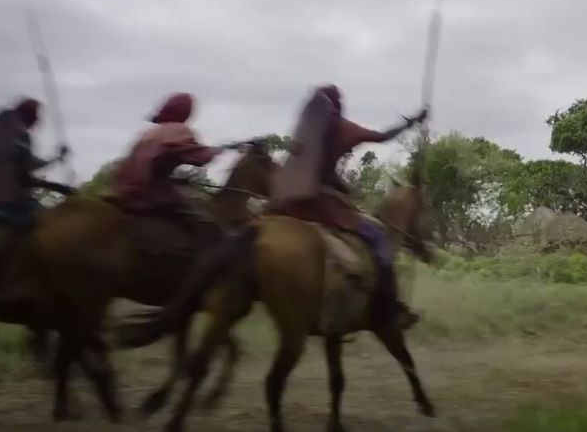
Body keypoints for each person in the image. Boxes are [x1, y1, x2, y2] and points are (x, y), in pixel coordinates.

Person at [271, 85, 427, 331]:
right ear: (337, 104)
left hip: (293, 206)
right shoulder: (341, 127)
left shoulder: (305, 133)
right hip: (324, 206)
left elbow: (311, 171)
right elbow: (382, 136)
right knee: (378, 237)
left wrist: (342, 186)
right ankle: (387, 308)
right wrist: (412, 122)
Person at [0, 97, 73, 341]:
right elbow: (24, 174)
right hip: (9, 199)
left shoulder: (3, 127)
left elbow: (26, 163)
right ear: (30, 116)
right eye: (37, 118)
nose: (38, 122)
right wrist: (57, 186)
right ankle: (23, 287)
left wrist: (55, 158)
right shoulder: (18, 131)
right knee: (45, 233)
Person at [112, 92, 235, 242]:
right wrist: (217, 151)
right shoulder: (179, 130)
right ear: (186, 112)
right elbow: (198, 157)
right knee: (204, 222)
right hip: (150, 194)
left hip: (123, 192)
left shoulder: (148, 133)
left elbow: (157, 159)